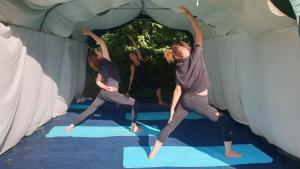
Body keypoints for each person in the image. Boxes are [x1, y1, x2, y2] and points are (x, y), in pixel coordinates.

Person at [148, 6, 242, 159]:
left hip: (185, 101)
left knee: (170, 125)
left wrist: (172, 110)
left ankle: (153, 153)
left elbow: (177, 91)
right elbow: (198, 32)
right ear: (185, 49)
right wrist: (189, 15)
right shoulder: (195, 56)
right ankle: (228, 152)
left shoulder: (178, 67)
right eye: (186, 44)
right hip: (198, 102)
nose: (188, 44)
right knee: (226, 121)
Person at [65, 29, 142, 133]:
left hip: (103, 94)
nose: (100, 50)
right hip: (111, 94)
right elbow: (102, 42)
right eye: (98, 51)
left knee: (90, 110)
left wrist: (106, 87)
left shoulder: (99, 67)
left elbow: (98, 82)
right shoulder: (106, 61)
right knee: (135, 103)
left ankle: (71, 125)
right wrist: (90, 33)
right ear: (98, 56)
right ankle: (134, 126)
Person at [126, 35, 167, 106]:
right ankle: (119, 102)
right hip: (138, 81)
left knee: (158, 86)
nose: (131, 56)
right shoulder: (132, 66)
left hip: (146, 79)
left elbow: (136, 48)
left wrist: (132, 39)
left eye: (132, 55)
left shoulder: (140, 59)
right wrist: (129, 86)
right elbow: (131, 76)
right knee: (129, 92)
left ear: (135, 55)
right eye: (130, 56)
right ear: (131, 58)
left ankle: (160, 101)